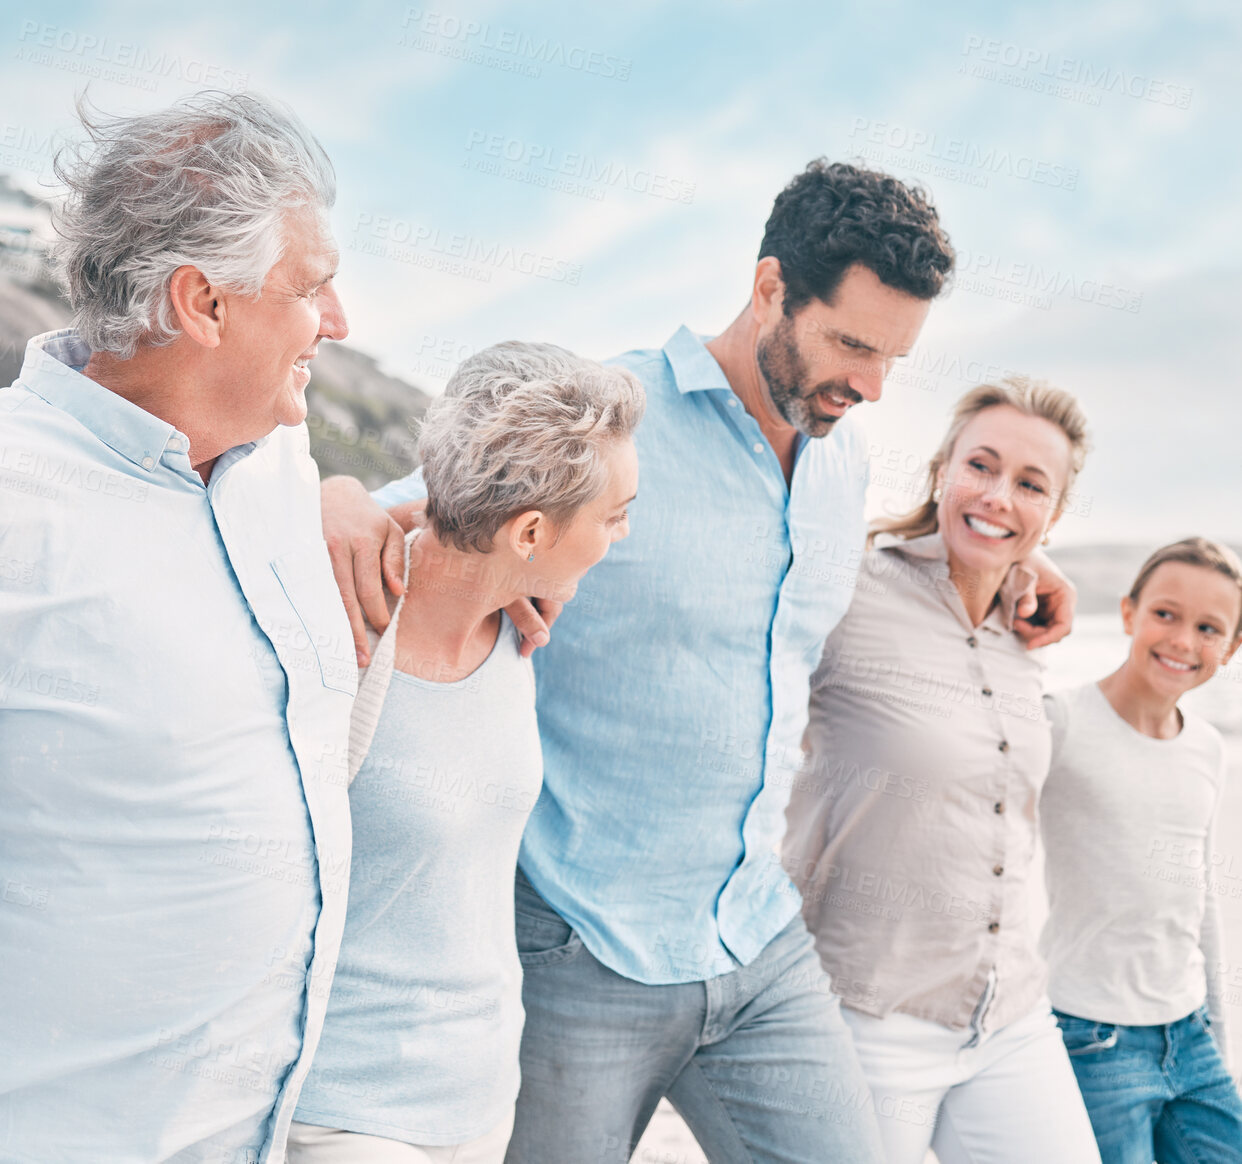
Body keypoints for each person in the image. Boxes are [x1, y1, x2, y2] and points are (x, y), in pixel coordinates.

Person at [320, 160, 1077, 1164]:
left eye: (895, 357)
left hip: (758, 942)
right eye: (851, 344)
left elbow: (853, 605)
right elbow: (425, 518)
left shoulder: (839, 452)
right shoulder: (607, 422)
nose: (870, 385)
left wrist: (1019, 563)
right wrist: (330, 494)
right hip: (579, 948)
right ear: (771, 288)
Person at [0, 91, 354, 1163]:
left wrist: (385, 516)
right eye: (312, 289)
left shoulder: (283, 470)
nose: (338, 324)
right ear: (202, 302)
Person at [288, 342, 642, 1163]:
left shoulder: (519, 629)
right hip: (344, 1113)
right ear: (530, 531)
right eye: (616, 512)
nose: (623, 533)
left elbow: (452, 531)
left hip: (480, 1102)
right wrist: (328, 495)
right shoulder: (337, 632)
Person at [783, 378, 1104, 1164]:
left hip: (1010, 1013)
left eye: (1031, 486)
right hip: (867, 1012)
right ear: (940, 472)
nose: (998, 495)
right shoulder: (849, 586)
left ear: (1054, 515)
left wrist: (1032, 564)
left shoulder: (1023, 627)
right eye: (981, 467)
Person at [1040, 538, 1242, 1164]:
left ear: (1232, 647)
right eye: (1165, 615)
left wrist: (1217, 1039)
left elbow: (1202, 899)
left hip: (1189, 1038)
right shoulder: (1060, 723)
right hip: (1091, 1038)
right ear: (1128, 613)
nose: (1182, 641)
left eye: (1208, 628)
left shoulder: (1208, 749)